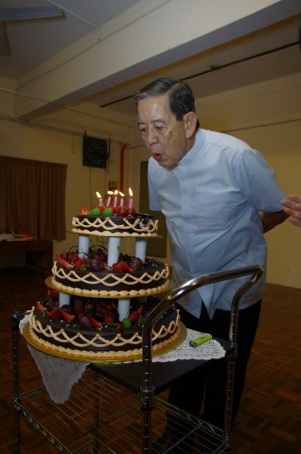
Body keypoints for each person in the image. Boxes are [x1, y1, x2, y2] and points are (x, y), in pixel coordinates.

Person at [135, 78, 288, 452]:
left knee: (225, 373)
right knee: (185, 364)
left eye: (159, 127)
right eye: (142, 129)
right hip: (188, 288)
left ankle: (212, 440)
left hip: (236, 290)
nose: (151, 140)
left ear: (187, 123)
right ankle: (177, 433)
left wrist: (250, 230)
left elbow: (278, 208)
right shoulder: (157, 167)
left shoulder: (236, 157)